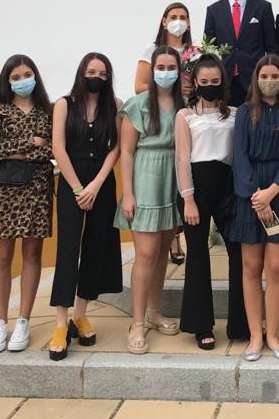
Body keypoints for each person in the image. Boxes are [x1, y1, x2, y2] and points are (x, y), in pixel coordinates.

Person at [229, 55, 279, 361]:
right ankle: (255, 335)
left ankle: (272, 333)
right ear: (256, 79)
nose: (269, 81)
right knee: (251, 267)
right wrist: (256, 196)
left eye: (274, 76)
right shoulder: (245, 113)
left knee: (275, 267)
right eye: (264, 76)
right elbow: (240, 155)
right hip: (250, 196)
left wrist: (272, 192)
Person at [48, 53, 123, 360]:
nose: (97, 77)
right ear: (81, 73)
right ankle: (60, 323)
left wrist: (96, 184)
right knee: (68, 249)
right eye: (92, 72)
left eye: (103, 73)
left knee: (96, 246)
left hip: (101, 183)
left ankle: (81, 314)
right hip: (71, 181)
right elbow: (58, 147)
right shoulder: (64, 104)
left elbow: (115, 147)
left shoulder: (114, 105)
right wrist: (79, 187)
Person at [175, 55, 249, 349]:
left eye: (215, 81)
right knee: (197, 256)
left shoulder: (236, 114)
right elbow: (182, 159)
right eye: (204, 81)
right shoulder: (185, 116)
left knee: (238, 253)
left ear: (223, 82)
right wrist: (188, 199)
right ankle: (201, 325)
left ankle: (240, 323)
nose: (209, 86)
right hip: (196, 188)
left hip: (227, 188)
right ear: (195, 83)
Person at [115, 46, 185, 355]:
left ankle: (154, 312)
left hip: (172, 180)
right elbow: (126, 152)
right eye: (161, 67)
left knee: (161, 255)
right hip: (145, 180)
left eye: (171, 67)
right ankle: (137, 322)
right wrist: (128, 193)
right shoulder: (138, 105)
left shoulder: (184, 105)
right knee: (145, 254)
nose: (166, 72)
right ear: (152, 70)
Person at [0, 55, 54, 355]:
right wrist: (33, 144)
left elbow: (53, 148)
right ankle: (1, 321)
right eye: (16, 76)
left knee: (32, 253)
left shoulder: (48, 110)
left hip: (38, 190)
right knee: (1, 256)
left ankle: (24, 319)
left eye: (27, 74)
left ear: (35, 76)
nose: (23, 80)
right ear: (7, 81)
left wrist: (23, 150)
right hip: (4, 190)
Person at [204, 0, 278, 106]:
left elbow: (271, 47)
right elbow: (209, 48)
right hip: (225, 80)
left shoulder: (263, 8)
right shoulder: (213, 10)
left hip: (254, 80)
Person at [134, 2, 194, 95]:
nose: (178, 22)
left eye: (182, 18)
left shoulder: (194, 52)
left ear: (188, 22)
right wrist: (174, 90)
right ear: (164, 21)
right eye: (173, 17)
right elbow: (139, 87)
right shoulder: (152, 50)